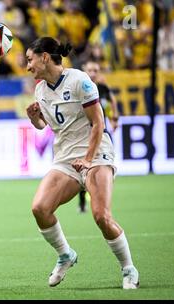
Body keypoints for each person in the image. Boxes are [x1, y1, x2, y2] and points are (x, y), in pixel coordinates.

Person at [25, 37, 139, 289]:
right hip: (65, 157)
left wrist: (88, 159)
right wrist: (35, 120)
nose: (27, 66)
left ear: (45, 57)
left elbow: (98, 123)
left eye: (30, 59)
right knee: (40, 209)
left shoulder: (80, 80)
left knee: (101, 216)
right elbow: (48, 126)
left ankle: (129, 269)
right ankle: (66, 255)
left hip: (95, 153)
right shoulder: (40, 89)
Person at [77, 60, 120, 213]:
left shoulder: (101, 88)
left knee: (103, 167)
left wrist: (114, 118)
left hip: (102, 133)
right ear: (84, 70)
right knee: (83, 168)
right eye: (90, 70)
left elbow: (112, 100)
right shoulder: (79, 87)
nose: (93, 73)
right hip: (84, 136)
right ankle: (82, 199)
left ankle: (101, 199)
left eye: (96, 70)